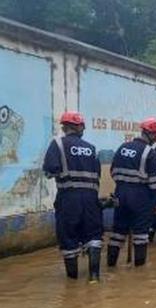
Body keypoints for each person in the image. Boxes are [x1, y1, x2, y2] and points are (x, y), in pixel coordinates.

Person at [43, 112, 102, 282]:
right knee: (93, 235)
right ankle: (94, 277)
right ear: (79, 127)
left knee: (68, 236)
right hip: (91, 198)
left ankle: (73, 280)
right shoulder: (91, 148)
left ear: (64, 127)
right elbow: (97, 173)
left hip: (69, 197)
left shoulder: (58, 144)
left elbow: (49, 170)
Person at [107, 117, 156, 267]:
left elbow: (112, 171)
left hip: (120, 193)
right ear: (152, 135)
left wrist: (123, 185)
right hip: (140, 196)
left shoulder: (123, 147)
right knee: (141, 234)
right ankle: (139, 271)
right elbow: (155, 182)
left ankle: (111, 265)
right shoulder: (149, 153)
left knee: (118, 232)